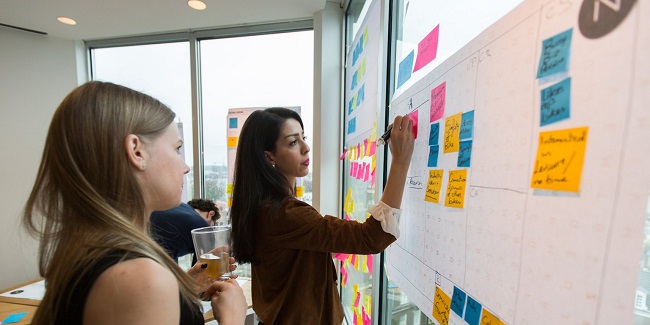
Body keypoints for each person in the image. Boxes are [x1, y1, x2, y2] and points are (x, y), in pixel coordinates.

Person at [22, 81, 246, 325]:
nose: (185, 167)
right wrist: (232, 320)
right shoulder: (138, 278)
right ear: (136, 151)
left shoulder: (89, 251)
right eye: (177, 148)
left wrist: (185, 285)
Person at [230, 107, 415, 324]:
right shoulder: (285, 213)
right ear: (269, 156)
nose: (306, 148)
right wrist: (400, 162)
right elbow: (371, 237)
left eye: (303, 137)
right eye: (292, 142)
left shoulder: (262, 206)